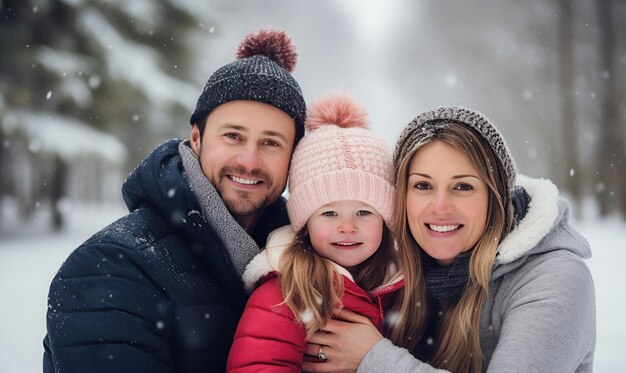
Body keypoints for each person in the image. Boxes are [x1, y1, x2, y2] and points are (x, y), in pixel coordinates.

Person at [43, 28, 307, 373]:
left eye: (271, 143)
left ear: (294, 156)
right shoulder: (110, 267)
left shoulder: (306, 259)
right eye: (232, 136)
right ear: (196, 137)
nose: (249, 160)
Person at [303, 106, 596, 373]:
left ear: (495, 198)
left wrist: (374, 359)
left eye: (463, 186)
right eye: (423, 185)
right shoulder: (398, 273)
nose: (440, 207)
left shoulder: (556, 277)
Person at [226, 91, 405, 372]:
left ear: (385, 220)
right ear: (305, 223)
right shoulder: (286, 292)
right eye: (329, 213)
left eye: (364, 212)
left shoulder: (406, 287)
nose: (347, 227)